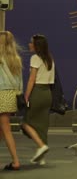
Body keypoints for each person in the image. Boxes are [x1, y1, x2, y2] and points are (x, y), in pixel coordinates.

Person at [22, 34, 55, 165]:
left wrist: (26, 96)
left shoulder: (35, 58)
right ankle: (41, 157)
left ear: (37, 45)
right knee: (42, 125)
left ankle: (41, 146)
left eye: (31, 43)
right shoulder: (50, 59)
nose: (29, 44)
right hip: (48, 93)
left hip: (37, 92)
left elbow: (32, 79)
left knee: (26, 123)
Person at [0, 31, 23, 170]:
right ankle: (15, 160)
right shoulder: (16, 59)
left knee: (6, 129)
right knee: (3, 128)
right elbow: (20, 82)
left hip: (1, 94)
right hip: (11, 95)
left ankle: (16, 161)